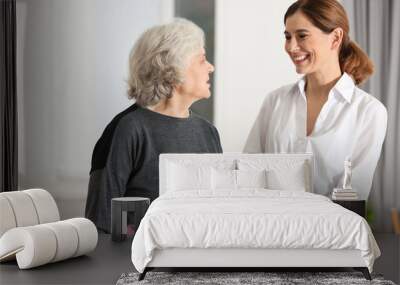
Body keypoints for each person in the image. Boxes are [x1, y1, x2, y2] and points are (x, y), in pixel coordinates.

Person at [85, 19, 222, 233]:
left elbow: (218, 211)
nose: (211, 67)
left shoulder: (208, 133)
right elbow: (100, 224)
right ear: (174, 68)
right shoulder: (127, 129)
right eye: (202, 59)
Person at [244, 0, 387, 200]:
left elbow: (353, 194)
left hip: (330, 230)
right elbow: (248, 173)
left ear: (335, 38)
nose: (291, 47)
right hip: (269, 226)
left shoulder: (369, 111)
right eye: (287, 37)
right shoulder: (275, 101)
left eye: (302, 35)